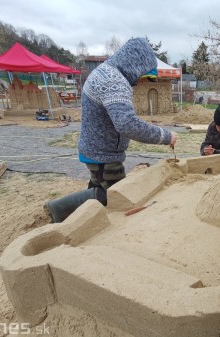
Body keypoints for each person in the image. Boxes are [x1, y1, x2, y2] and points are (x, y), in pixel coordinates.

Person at [45, 37, 177, 223]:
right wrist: (166, 136)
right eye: (143, 74)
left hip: (96, 149)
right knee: (116, 196)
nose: (140, 80)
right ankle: (59, 208)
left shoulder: (107, 73)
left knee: (97, 189)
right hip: (102, 154)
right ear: (135, 64)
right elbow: (127, 124)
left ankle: (82, 220)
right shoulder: (114, 81)